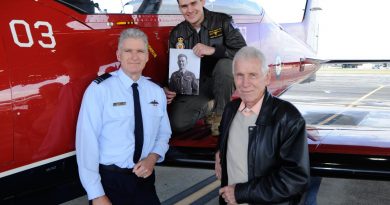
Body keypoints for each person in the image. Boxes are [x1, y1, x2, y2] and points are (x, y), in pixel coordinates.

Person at [76, 28, 171, 205]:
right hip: (111, 183)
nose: (135, 57)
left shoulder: (156, 91)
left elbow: (164, 134)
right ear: (118, 55)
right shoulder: (100, 90)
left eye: (140, 51)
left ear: (147, 56)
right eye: (128, 51)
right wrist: (96, 194)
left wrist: (152, 158)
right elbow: (86, 144)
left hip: (145, 181)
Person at [215, 46, 310, 205]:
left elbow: (296, 179)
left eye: (252, 75)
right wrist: (220, 152)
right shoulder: (230, 110)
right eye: (239, 75)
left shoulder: (288, 117)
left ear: (267, 77)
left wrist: (240, 193)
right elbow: (225, 136)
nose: (245, 83)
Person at [165, 0, 247, 133]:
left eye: (193, 3)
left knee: (225, 65)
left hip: (222, 81)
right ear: (179, 8)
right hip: (196, 87)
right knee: (177, 123)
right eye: (184, 6)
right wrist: (168, 87)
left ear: (202, 2)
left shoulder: (223, 21)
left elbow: (244, 53)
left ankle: (221, 115)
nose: (190, 10)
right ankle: (211, 106)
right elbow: (173, 66)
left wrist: (214, 51)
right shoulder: (177, 32)